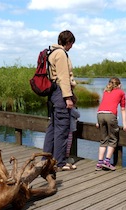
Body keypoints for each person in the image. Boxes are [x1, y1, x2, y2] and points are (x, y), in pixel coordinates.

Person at [42, 30, 76, 172]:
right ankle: (59, 162)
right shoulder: (61, 54)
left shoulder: (51, 52)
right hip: (60, 93)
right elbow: (63, 77)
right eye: (71, 44)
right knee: (62, 128)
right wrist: (68, 98)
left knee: (53, 127)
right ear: (67, 42)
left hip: (53, 93)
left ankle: (46, 160)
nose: (71, 47)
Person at [95, 77, 126, 171]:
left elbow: (103, 104)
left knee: (103, 140)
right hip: (110, 115)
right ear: (119, 85)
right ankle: (107, 162)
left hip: (100, 114)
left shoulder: (106, 91)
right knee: (113, 139)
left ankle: (99, 163)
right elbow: (123, 109)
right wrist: (125, 123)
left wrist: (98, 122)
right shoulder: (121, 92)